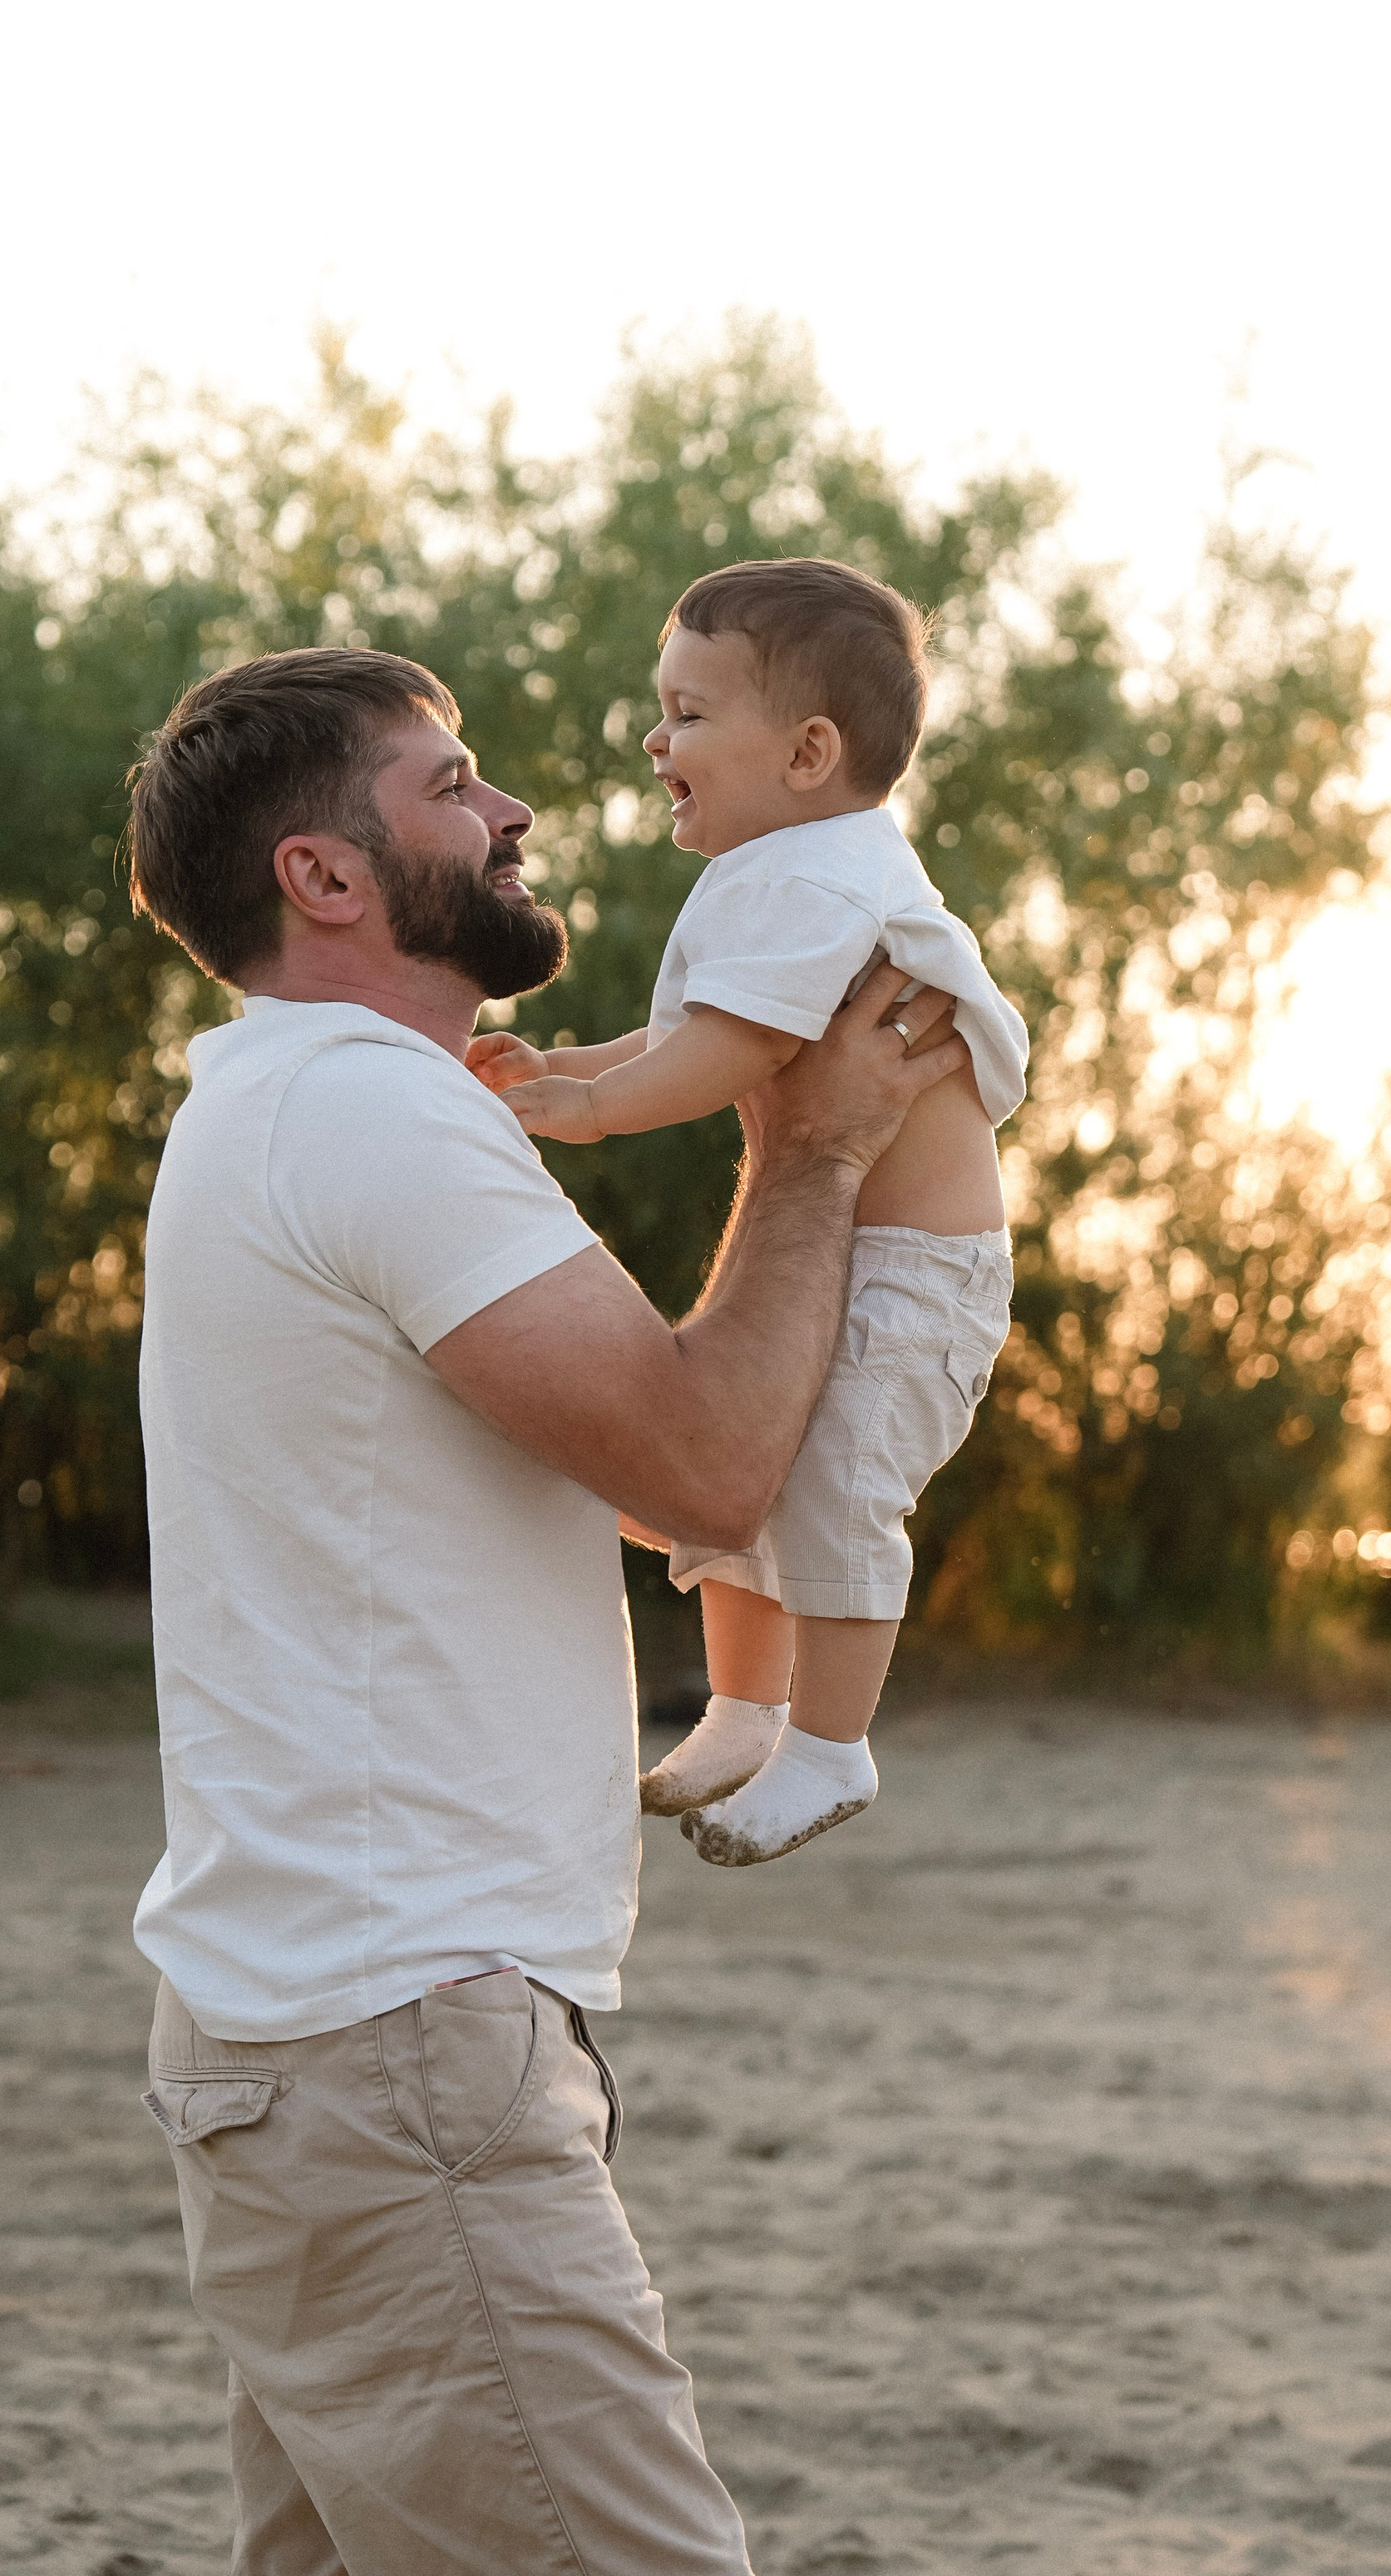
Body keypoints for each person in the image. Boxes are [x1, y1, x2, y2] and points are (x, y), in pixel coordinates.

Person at [122, 640, 964, 2576]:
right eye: (450, 785)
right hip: (393, 2035)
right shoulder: (365, 1109)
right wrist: (811, 1146)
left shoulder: (278, 1109)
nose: (509, 813)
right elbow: (700, 1463)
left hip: (320, 2032)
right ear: (327, 877)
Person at [470, 559, 1026, 1867]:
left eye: (688, 713)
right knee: (744, 1453)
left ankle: (831, 1750)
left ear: (808, 751)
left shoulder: (816, 881)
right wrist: (570, 1066)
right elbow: (690, 1033)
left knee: (834, 1482)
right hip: (855, 1253)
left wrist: (590, 1113)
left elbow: (724, 1058)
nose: (656, 740)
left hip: (914, 1274)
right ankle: (742, 1707)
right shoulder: (792, 871)